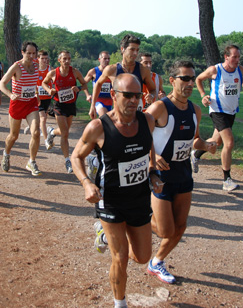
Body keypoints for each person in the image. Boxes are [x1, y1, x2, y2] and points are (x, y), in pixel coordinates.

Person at [71, 73, 162, 308]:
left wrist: (152, 171)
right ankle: (119, 303)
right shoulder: (98, 127)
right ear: (113, 95)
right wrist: (86, 183)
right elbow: (76, 156)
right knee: (120, 257)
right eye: (128, 95)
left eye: (138, 95)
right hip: (109, 199)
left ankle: (106, 236)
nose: (134, 100)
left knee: (142, 257)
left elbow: (148, 145)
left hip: (139, 199)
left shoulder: (147, 121)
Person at [145, 61, 216, 284]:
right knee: (166, 230)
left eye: (191, 79)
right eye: (184, 78)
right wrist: (153, 157)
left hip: (183, 173)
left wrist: (205, 145)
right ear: (173, 81)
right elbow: (140, 135)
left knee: (181, 226)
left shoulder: (195, 110)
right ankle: (131, 220)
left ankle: (156, 262)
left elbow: (194, 140)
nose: (189, 83)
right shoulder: (159, 108)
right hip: (161, 175)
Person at [192, 44, 243, 192]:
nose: (237, 60)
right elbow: (198, 79)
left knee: (217, 142)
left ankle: (196, 154)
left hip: (231, 111)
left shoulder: (240, 70)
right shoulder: (215, 70)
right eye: (235, 57)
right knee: (229, 142)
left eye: (239, 57)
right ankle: (227, 180)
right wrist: (203, 95)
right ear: (226, 57)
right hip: (217, 109)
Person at [0, 41, 42, 176]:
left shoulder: (36, 64)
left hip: (31, 103)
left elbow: (34, 82)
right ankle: (6, 154)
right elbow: (1, 84)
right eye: (28, 53)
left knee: (35, 132)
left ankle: (32, 161)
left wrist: (37, 94)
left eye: (33, 53)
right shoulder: (16, 67)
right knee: (14, 136)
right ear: (22, 53)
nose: (31, 56)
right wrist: (11, 94)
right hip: (17, 104)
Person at [88, 34, 156, 120]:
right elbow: (98, 84)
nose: (135, 53)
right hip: (118, 117)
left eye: (137, 50)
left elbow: (153, 90)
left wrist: (152, 96)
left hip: (136, 117)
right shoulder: (111, 70)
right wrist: (92, 106)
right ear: (122, 49)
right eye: (132, 49)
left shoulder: (143, 70)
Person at [41, 50, 88, 173]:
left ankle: (52, 132)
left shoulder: (75, 72)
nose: (67, 61)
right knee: (65, 133)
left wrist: (78, 88)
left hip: (70, 104)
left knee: (64, 131)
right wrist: (49, 89)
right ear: (59, 60)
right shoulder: (53, 73)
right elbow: (44, 83)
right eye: (64, 59)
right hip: (59, 105)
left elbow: (85, 85)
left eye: (69, 59)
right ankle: (68, 160)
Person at [84, 51, 113, 117]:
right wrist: (87, 95)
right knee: (105, 117)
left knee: (108, 121)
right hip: (98, 100)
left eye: (108, 59)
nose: (107, 60)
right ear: (99, 59)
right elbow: (84, 83)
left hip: (109, 101)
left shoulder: (112, 71)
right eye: (105, 59)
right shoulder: (93, 71)